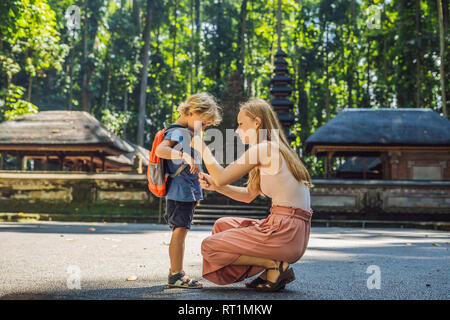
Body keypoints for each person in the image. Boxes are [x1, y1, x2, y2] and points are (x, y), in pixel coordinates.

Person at [190, 98, 314, 292]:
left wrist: (202, 147)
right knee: (222, 225)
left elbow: (222, 177)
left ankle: (273, 265)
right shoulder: (273, 149)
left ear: (256, 122)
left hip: (286, 231)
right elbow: (248, 195)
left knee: (209, 247)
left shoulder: (264, 148)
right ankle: (273, 266)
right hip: (291, 230)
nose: (238, 130)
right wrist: (216, 187)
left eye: (241, 124)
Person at [155, 92, 221, 289]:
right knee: (180, 229)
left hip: (185, 189)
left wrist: (197, 170)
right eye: (204, 122)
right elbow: (161, 150)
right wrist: (184, 155)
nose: (205, 127)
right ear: (192, 112)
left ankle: (175, 271)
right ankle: (176, 274)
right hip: (180, 190)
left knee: (181, 229)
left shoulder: (187, 132)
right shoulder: (179, 131)